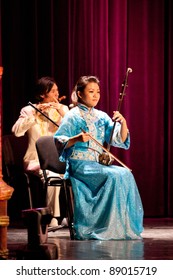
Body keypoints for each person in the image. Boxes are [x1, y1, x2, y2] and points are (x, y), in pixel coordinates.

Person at [54, 75, 144, 240]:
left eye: (98, 92)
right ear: (80, 94)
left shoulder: (102, 116)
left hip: (97, 164)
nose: (96, 95)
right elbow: (59, 140)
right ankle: (102, 225)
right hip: (79, 164)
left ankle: (119, 226)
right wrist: (76, 139)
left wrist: (123, 122)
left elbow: (118, 139)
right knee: (113, 175)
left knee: (125, 173)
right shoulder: (72, 115)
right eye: (91, 91)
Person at [12, 76, 69, 227]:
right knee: (52, 174)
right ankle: (52, 216)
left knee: (77, 173)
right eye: (53, 91)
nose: (57, 94)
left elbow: (72, 130)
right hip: (35, 160)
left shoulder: (63, 109)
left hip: (60, 159)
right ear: (43, 94)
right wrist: (34, 116)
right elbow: (16, 132)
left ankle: (72, 216)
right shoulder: (29, 110)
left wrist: (62, 114)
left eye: (58, 91)